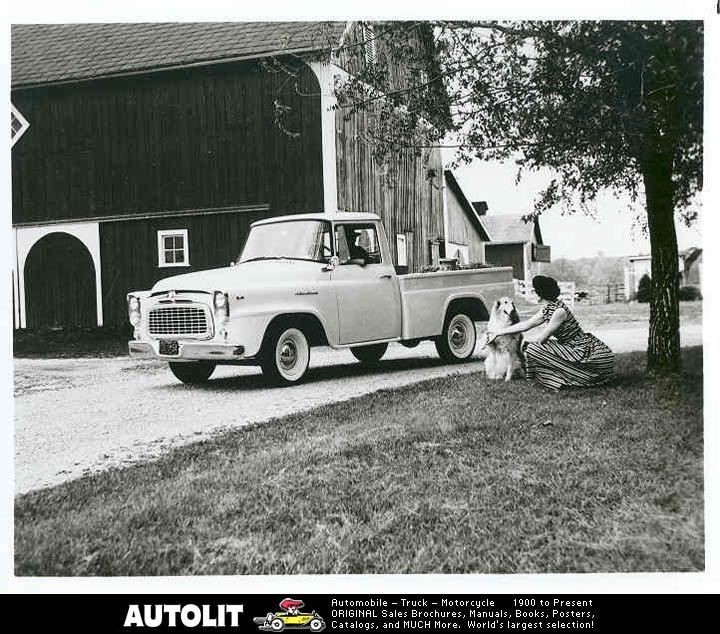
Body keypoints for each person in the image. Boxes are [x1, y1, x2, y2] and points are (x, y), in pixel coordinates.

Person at [486, 275, 615, 391]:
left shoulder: (558, 311)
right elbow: (526, 325)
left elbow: (542, 338)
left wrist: (526, 345)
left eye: (535, 291)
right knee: (532, 348)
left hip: (582, 349)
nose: (533, 292)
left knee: (533, 349)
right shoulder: (549, 307)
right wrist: (499, 332)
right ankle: (560, 375)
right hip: (569, 346)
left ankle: (567, 378)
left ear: (540, 294)